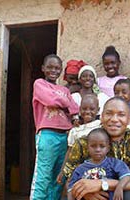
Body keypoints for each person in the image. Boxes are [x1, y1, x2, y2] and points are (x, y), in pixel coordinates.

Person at [70, 97, 130, 200]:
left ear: (129, 119)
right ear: (101, 117)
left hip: (125, 196)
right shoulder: (84, 142)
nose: (114, 119)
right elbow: (70, 181)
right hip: (92, 196)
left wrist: (102, 184)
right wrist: (84, 193)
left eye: (121, 115)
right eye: (109, 113)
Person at [30, 54, 79, 200]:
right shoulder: (39, 84)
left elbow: (75, 108)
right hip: (47, 135)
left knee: (59, 177)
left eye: (57, 68)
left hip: (64, 136)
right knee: (43, 174)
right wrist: (66, 103)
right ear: (43, 68)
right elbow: (50, 100)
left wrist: (69, 106)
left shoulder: (64, 90)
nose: (54, 71)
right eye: (50, 67)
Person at [68, 128, 130, 200]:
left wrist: (120, 187)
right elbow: (71, 189)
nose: (98, 149)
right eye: (93, 146)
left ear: (108, 148)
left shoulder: (113, 163)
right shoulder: (80, 169)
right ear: (87, 148)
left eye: (102, 146)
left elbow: (126, 175)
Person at [58, 94, 101, 184]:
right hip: (78, 169)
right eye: (84, 109)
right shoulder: (75, 131)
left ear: (98, 110)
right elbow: (69, 152)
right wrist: (63, 171)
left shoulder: (101, 125)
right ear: (79, 110)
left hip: (98, 167)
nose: (88, 112)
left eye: (92, 109)